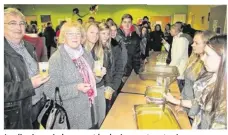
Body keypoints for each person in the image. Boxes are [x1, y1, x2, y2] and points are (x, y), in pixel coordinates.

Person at [43, 21, 100, 129]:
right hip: (71, 116)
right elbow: (50, 91)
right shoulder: (57, 58)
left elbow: (92, 80)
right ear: (64, 37)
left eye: (78, 33)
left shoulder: (85, 54)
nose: (75, 37)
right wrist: (76, 88)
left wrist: (98, 75)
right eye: (70, 33)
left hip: (91, 110)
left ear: (82, 36)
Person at [164, 35, 227, 129]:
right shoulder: (211, 78)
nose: (202, 58)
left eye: (208, 55)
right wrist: (176, 101)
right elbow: (199, 103)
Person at [4, 8, 50, 129]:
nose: (18, 27)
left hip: (36, 107)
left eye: (22, 23)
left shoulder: (28, 47)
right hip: (16, 116)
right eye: (12, 23)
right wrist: (30, 84)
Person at [96, 23, 124, 115]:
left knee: (110, 113)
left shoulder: (115, 48)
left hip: (111, 87)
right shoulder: (93, 49)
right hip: (98, 89)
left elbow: (119, 69)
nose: (106, 36)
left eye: (108, 34)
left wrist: (113, 87)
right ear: (98, 34)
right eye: (103, 33)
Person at [83, 22, 107, 127]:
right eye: (91, 32)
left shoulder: (99, 49)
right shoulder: (81, 50)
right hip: (87, 91)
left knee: (102, 119)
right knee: (91, 121)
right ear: (85, 33)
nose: (95, 35)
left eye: (97, 33)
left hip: (100, 87)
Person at [162, 24, 189, 92]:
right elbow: (171, 51)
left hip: (180, 68)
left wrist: (169, 68)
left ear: (175, 30)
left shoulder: (182, 39)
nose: (169, 31)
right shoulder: (175, 38)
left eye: (171, 30)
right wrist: (165, 43)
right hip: (175, 67)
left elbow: (178, 57)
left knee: (180, 88)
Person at [115, 14, 141, 86]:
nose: (127, 24)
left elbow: (136, 56)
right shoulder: (115, 36)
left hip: (128, 72)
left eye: (129, 22)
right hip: (116, 73)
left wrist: (137, 72)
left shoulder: (135, 37)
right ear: (121, 23)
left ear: (131, 23)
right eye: (125, 22)